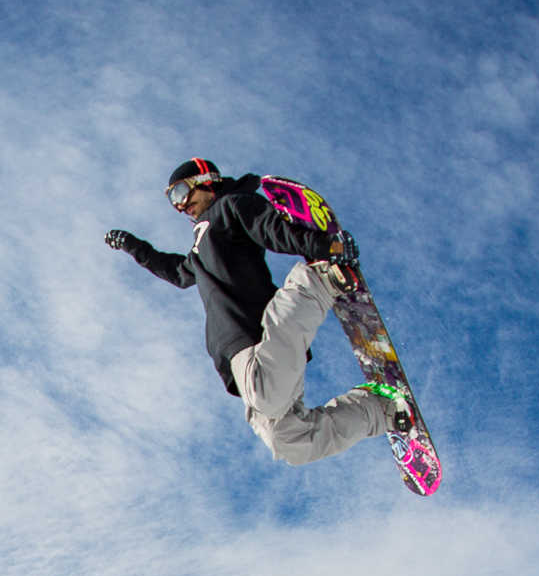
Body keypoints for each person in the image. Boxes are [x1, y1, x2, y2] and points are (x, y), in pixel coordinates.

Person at [106, 158, 409, 467]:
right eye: (173, 201)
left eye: (181, 193)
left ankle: (323, 277)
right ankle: (380, 410)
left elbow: (270, 229)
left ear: (206, 180)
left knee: (266, 392)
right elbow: (177, 272)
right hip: (237, 361)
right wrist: (133, 246)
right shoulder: (198, 250)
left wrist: (325, 247)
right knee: (291, 444)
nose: (181, 205)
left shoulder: (230, 206)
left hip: (257, 336)